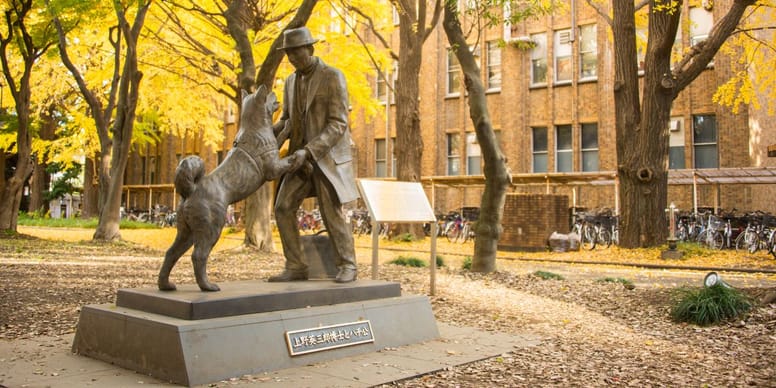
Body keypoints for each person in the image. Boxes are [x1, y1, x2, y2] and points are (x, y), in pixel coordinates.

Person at [269, 26, 359, 283]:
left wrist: (309, 151)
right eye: (289, 54)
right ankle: (296, 265)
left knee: (331, 212)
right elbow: (287, 120)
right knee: (283, 207)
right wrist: (267, 136)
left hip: (325, 158)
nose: (292, 58)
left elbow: (338, 123)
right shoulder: (290, 81)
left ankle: (348, 265)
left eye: (296, 52)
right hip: (298, 159)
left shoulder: (332, 76)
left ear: (310, 48)